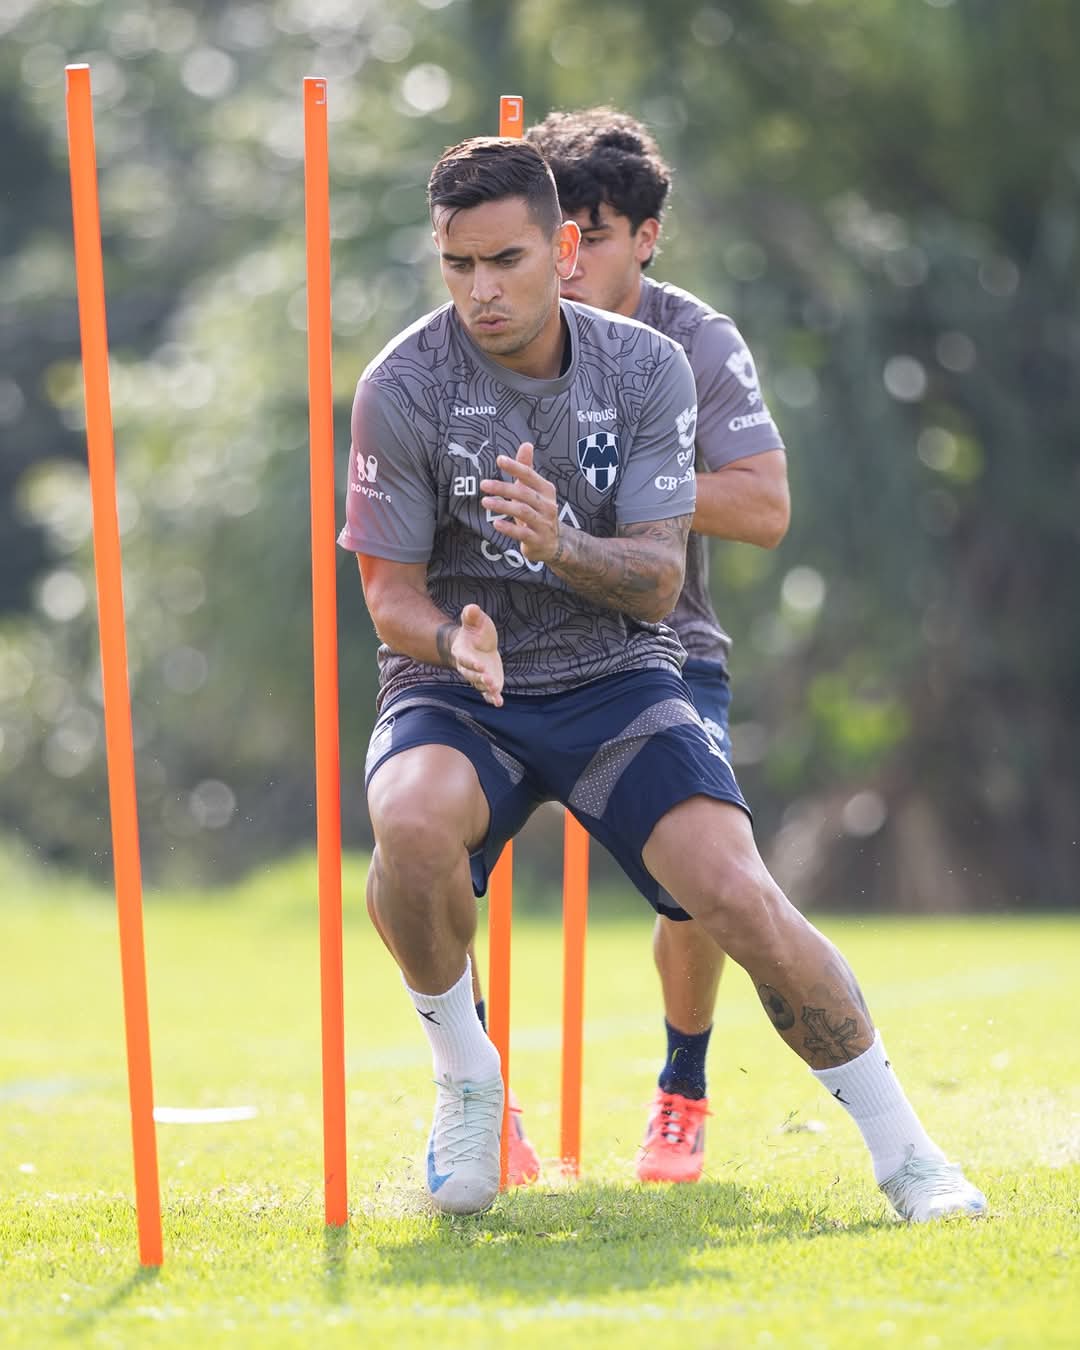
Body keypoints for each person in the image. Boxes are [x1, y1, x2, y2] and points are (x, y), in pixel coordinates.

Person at [338, 136, 986, 1224]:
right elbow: (389, 594)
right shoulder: (400, 385)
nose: (481, 289)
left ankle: (907, 1154)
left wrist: (559, 545)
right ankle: (468, 1083)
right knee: (404, 826)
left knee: (735, 895)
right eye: (458, 264)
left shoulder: (649, 366)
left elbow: (656, 583)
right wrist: (452, 642)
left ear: (563, 250)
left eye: (505, 260)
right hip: (461, 688)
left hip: (617, 674)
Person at [462, 106, 793, 1187]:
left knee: (704, 883)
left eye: (594, 236)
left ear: (647, 238)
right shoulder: (485, 325)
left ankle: (681, 1091)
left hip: (663, 644)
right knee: (426, 863)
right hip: (504, 649)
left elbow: (764, 506)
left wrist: (623, 489)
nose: (568, 260)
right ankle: (478, 1101)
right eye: (555, 236)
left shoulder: (697, 341)